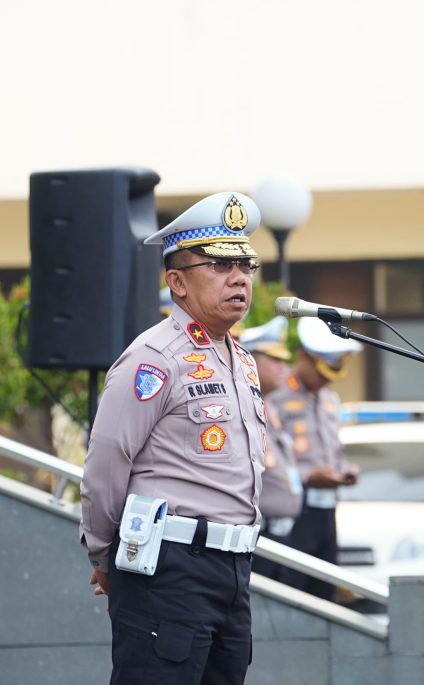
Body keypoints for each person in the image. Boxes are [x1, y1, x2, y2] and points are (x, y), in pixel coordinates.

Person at [80, 192, 266, 683]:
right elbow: (106, 461)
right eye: (220, 265)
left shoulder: (241, 360)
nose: (239, 278)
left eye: (246, 264)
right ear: (177, 282)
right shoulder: (155, 357)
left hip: (233, 568)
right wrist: (105, 555)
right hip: (169, 565)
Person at [269, 316, 362, 599]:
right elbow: (271, 455)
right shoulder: (277, 395)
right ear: (303, 357)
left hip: (328, 509)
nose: (326, 380)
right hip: (297, 511)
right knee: (293, 590)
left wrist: (344, 471)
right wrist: (309, 476)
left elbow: (335, 450)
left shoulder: (330, 399)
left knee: (325, 588)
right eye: (321, 372)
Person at [240, 316, 304, 581]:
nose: (283, 368)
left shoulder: (272, 407)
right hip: (260, 534)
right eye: (275, 360)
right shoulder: (243, 406)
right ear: (251, 360)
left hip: (285, 533)